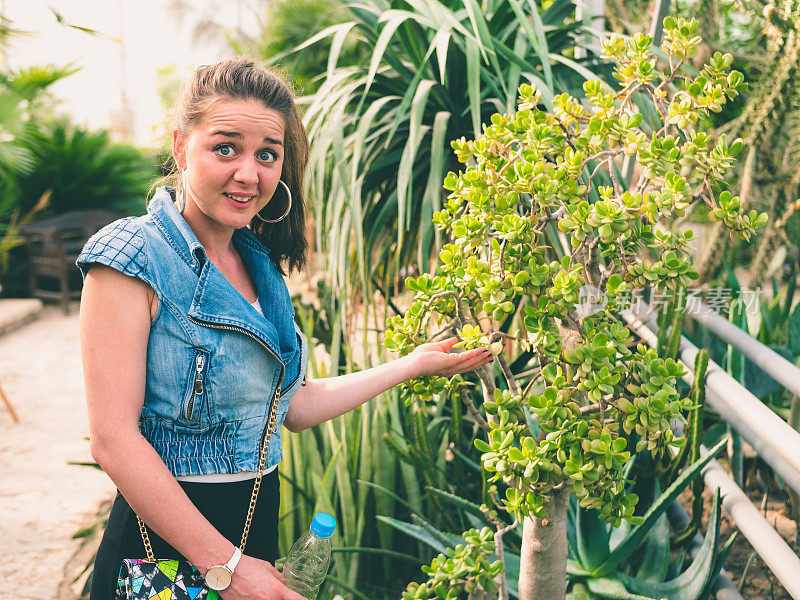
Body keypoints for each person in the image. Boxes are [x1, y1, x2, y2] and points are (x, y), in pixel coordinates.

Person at [78, 56, 493, 600]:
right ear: (181, 147)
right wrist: (224, 566)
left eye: (267, 155)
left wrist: (414, 364)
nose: (249, 173)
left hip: (250, 535)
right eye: (226, 147)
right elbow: (113, 441)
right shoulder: (132, 257)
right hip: (167, 550)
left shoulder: (260, 268)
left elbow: (292, 407)